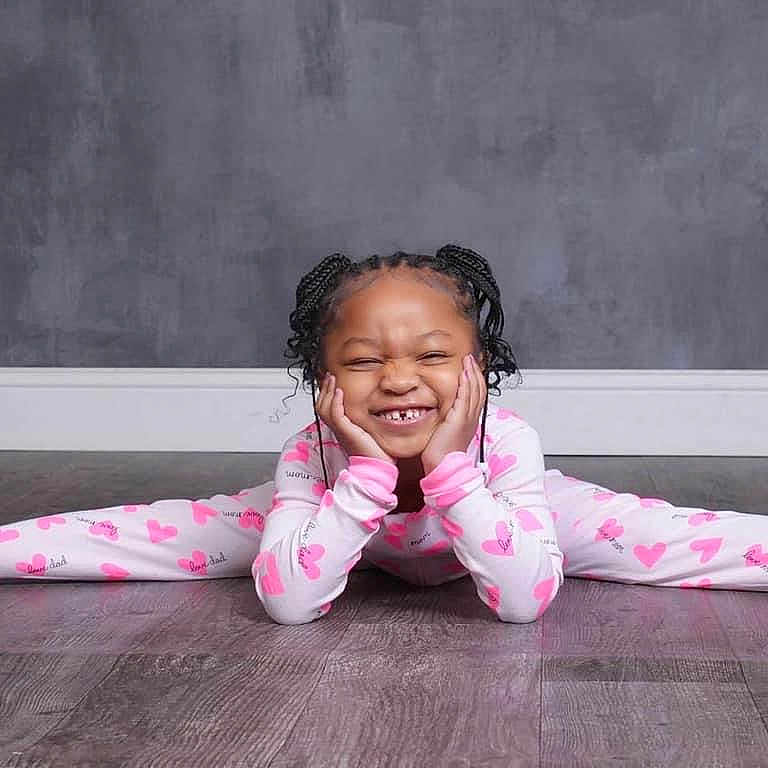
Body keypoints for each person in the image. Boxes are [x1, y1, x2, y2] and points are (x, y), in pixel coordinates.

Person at [2, 245, 766, 625]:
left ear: (479, 368)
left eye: (432, 357)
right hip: (337, 518)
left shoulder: (508, 444)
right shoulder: (313, 453)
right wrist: (362, 480)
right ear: (323, 378)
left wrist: (454, 473)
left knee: (663, 536)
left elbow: (523, 603)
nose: (400, 380)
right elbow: (289, 603)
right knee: (172, 534)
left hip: (498, 506)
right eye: (365, 362)